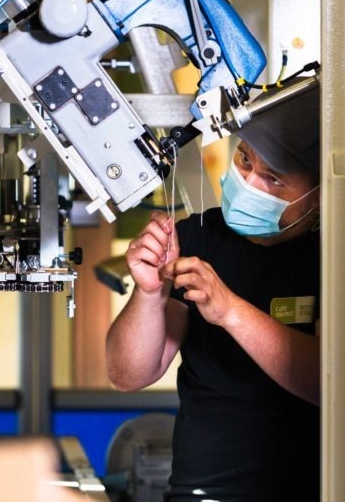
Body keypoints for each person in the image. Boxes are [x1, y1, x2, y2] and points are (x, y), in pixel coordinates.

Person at [105, 78, 321, 502]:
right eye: (244, 161)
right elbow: (127, 375)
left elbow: (329, 382)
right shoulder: (198, 238)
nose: (249, 183)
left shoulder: (336, 258)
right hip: (202, 491)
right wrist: (148, 294)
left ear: (317, 195)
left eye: (273, 180)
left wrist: (230, 311)